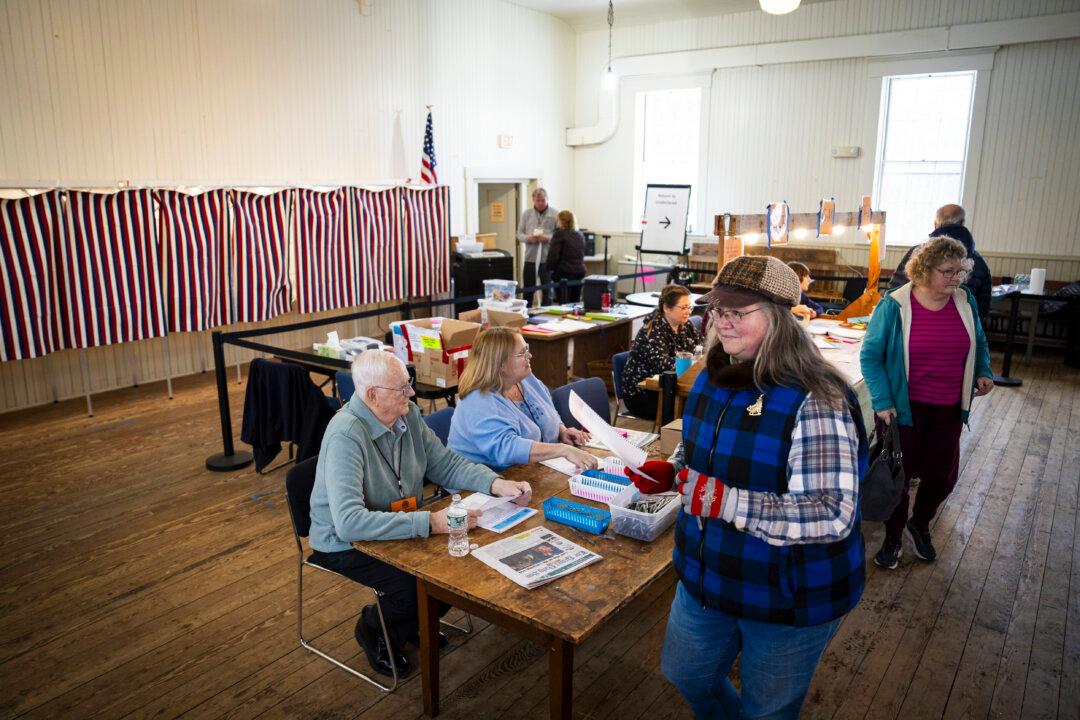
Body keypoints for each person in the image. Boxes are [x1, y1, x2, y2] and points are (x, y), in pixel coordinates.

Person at [626, 255, 869, 720]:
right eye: (717, 310)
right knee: (686, 672)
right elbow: (702, 449)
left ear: (779, 319)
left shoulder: (816, 399)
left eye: (739, 312)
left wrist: (722, 499)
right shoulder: (715, 374)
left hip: (791, 591)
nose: (722, 321)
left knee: (768, 710)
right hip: (710, 570)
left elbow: (833, 512)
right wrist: (673, 467)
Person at [308, 351, 532, 677]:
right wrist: (430, 522)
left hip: (401, 524)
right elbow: (349, 524)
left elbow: (446, 464)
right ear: (372, 395)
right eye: (402, 388)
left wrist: (496, 484)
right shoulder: (345, 435)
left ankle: (410, 621)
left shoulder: (407, 414)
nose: (412, 394)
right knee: (417, 585)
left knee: (455, 571)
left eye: (408, 385)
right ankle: (375, 629)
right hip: (345, 543)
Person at [861, 235, 993, 570]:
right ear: (924, 270)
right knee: (898, 480)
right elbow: (871, 355)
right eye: (948, 271)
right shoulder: (895, 305)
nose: (956, 278)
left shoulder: (965, 301)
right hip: (902, 409)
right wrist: (881, 400)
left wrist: (983, 370)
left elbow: (979, 340)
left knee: (941, 476)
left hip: (948, 406)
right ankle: (892, 539)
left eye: (961, 271)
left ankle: (919, 524)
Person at [448, 327, 599, 471]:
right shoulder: (478, 399)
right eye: (521, 354)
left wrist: (562, 431)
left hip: (527, 472)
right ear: (499, 364)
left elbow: (548, 411)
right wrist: (563, 450)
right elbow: (506, 448)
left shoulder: (526, 379)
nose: (529, 356)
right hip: (476, 487)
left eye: (527, 349)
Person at [889, 204, 992, 318]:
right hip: (961, 325)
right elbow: (982, 309)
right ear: (962, 222)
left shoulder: (917, 254)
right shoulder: (979, 261)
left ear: (935, 224)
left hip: (913, 322)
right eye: (948, 271)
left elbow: (895, 291)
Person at [620, 284, 702, 419]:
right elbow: (664, 366)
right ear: (666, 308)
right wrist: (694, 362)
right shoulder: (653, 330)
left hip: (670, 388)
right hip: (643, 394)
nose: (689, 311)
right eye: (684, 307)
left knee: (704, 401)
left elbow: (702, 348)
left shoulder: (686, 325)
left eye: (690, 307)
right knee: (696, 407)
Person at [516, 188, 557, 305]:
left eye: (543, 200)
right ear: (533, 200)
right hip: (530, 258)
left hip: (547, 259)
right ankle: (526, 313)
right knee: (528, 289)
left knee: (547, 289)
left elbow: (559, 236)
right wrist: (528, 238)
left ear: (547, 199)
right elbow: (519, 234)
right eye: (537, 200)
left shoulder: (555, 214)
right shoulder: (526, 214)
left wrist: (547, 238)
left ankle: (547, 315)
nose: (540, 203)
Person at [545, 210, 587, 303]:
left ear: (561, 221)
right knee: (575, 302)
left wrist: (549, 269)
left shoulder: (559, 234)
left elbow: (553, 255)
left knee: (564, 303)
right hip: (579, 272)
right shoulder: (580, 234)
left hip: (564, 273)